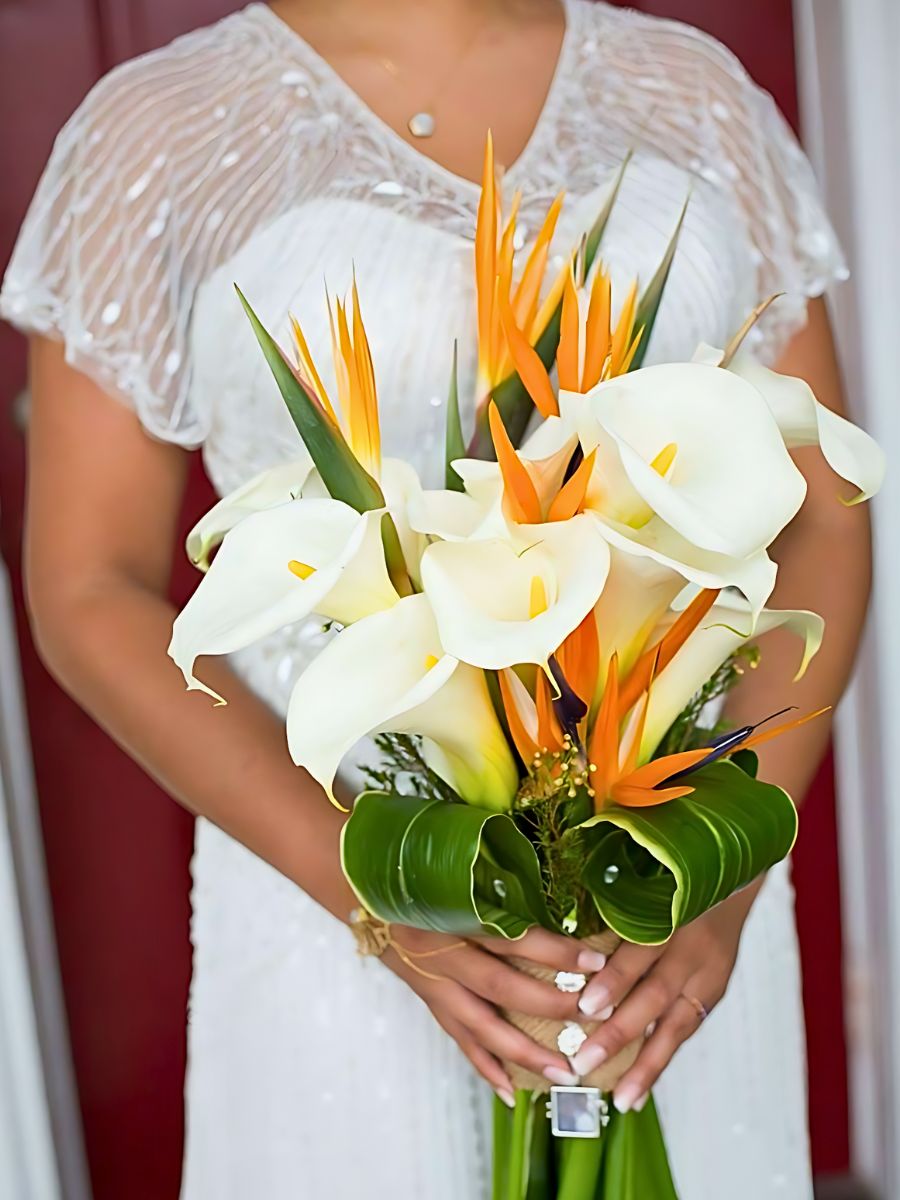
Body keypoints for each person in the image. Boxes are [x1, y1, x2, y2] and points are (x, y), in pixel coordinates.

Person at [0, 1, 872, 1196]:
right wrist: (386, 891)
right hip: (336, 884)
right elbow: (84, 587)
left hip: (667, 895)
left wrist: (719, 870)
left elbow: (829, 515)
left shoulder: (692, 91)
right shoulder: (156, 131)